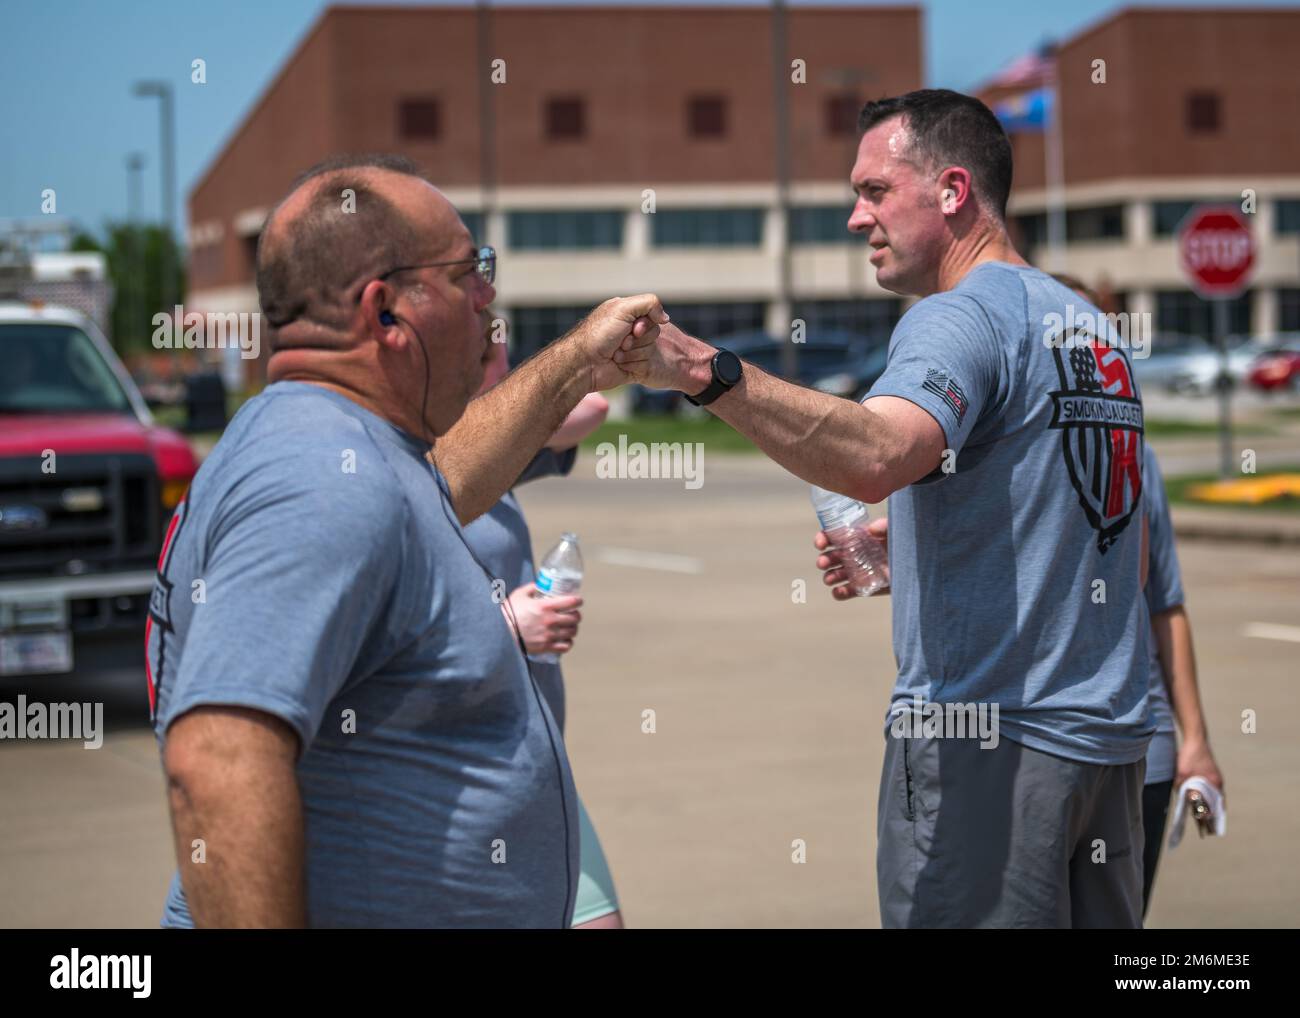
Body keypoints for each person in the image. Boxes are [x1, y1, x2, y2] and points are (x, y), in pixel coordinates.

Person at [624, 89, 1152, 927]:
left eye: (874, 191)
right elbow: (1106, 525)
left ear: (950, 191)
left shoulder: (956, 316)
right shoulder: (1085, 324)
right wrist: (917, 553)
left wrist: (700, 369)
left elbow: (876, 455)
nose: (855, 218)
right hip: (1109, 751)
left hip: (986, 745)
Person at [146, 153, 665, 927]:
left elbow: (451, 476)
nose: (488, 294)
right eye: (468, 272)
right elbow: (216, 760)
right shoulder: (323, 479)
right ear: (386, 312)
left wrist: (581, 354)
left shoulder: (348, 446)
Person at [461, 335, 624, 929]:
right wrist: (504, 625)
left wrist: (512, 396)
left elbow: (591, 410)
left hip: (535, 758)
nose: (510, 367)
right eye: (491, 351)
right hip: (465, 773)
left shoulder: (493, 452)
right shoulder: (414, 466)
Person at [1138, 440, 1225, 917]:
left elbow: (1165, 603)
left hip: (1144, 752)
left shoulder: (1138, 453)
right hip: (1035, 747)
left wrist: (1195, 742)